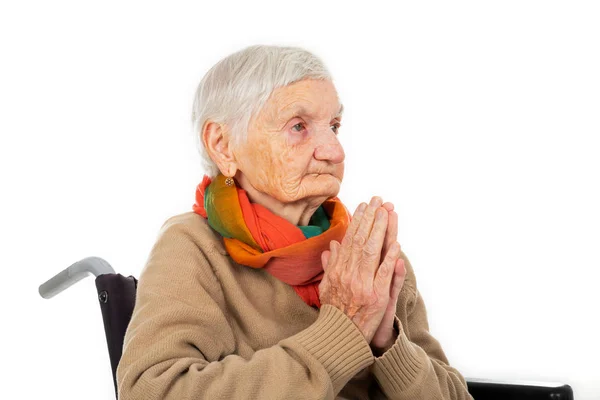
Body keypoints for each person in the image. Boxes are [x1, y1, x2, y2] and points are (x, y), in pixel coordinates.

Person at [116, 44, 473, 400]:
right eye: (298, 126)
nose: (334, 151)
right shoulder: (193, 246)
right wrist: (342, 332)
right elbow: (154, 392)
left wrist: (389, 343)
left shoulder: (369, 259)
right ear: (223, 146)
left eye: (334, 126)